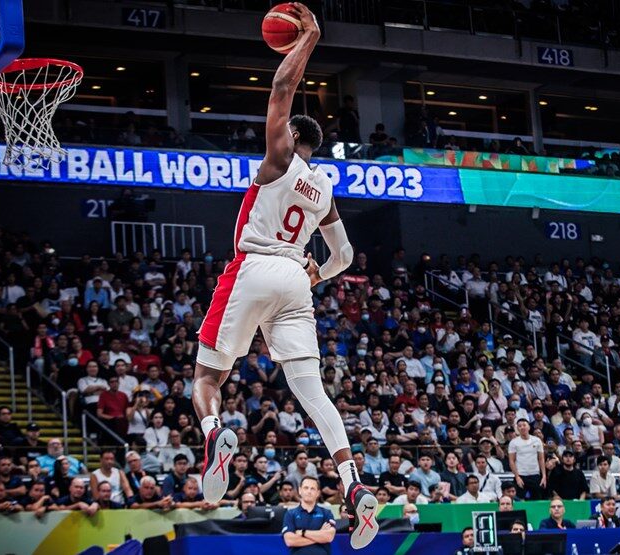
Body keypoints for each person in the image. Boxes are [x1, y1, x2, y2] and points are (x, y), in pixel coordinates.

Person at [191, 5, 375, 549]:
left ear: (292, 136)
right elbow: (344, 255)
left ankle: (215, 433)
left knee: (206, 379)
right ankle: (353, 482)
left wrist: (308, 39)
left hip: (253, 266)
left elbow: (281, 83)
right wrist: (314, 274)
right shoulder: (322, 189)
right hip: (297, 280)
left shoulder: (278, 157)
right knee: (313, 393)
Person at [282, 476, 337, 555]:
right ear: (300, 490)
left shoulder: (326, 513)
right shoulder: (290, 514)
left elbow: (328, 537)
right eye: (306, 488)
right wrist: (320, 534)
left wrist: (303, 532)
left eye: (312, 488)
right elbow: (290, 541)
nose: (309, 491)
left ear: (318, 493)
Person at [508, 419, 546, 500]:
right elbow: (511, 461)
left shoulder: (537, 440)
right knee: (520, 500)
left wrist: (544, 476)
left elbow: (541, 458)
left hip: (535, 474)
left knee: (537, 500)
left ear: (529, 427)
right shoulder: (513, 442)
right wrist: (517, 477)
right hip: (521, 475)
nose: (522, 427)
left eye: (524, 425)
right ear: (517, 428)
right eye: (519, 426)